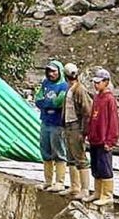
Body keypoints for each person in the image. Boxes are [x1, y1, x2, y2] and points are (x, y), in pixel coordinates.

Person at [83, 68, 119, 206]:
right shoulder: (97, 97)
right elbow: (93, 117)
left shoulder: (110, 99)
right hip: (95, 138)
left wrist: (111, 140)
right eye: (95, 82)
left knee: (105, 167)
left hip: (104, 139)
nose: (96, 85)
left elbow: (113, 121)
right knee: (96, 167)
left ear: (106, 82)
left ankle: (107, 194)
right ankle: (97, 192)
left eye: (99, 82)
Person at [60, 63, 93, 199]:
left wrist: (83, 131)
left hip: (75, 126)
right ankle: (74, 186)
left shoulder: (79, 90)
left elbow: (87, 111)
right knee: (71, 158)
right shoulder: (70, 89)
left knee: (80, 158)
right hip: (68, 125)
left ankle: (84, 189)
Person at [35, 61, 69, 192]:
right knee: (45, 152)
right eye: (49, 71)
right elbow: (38, 100)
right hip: (45, 121)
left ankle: (59, 181)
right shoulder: (45, 84)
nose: (51, 74)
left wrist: (47, 103)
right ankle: (48, 181)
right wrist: (47, 103)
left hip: (57, 124)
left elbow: (58, 102)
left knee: (59, 151)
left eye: (54, 71)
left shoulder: (63, 86)